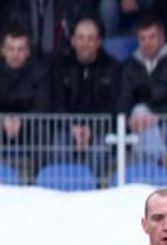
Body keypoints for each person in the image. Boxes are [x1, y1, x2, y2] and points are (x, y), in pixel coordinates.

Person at [116, 13, 167, 167]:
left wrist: (155, 116)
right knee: (139, 111)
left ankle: (141, 175)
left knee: (140, 131)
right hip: (138, 122)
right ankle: (162, 160)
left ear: (162, 37)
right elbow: (124, 99)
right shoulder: (129, 65)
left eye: (152, 37)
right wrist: (132, 118)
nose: (147, 43)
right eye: (142, 38)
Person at [50, 14, 120, 175]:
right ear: (72, 41)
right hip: (67, 127)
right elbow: (56, 103)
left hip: (101, 129)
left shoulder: (113, 67)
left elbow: (115, 106)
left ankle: (89, 194)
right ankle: (62, 193)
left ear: (99, 42)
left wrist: (92, 129)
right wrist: (73, 128)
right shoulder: (60, 66)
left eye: (90, 38)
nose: (85, 44)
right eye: (80, 38)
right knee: (58, 146)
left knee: (99, 150)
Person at [0, 24, 50, 152]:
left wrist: (22, 121)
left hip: (28, 127)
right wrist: (3, 120)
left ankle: (37, 172)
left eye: (20, 49)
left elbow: (42, 107)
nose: (15, 54)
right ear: (2, 51)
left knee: (42, 130)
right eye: (10, 49)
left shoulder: (40, 73)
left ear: (28, 52)